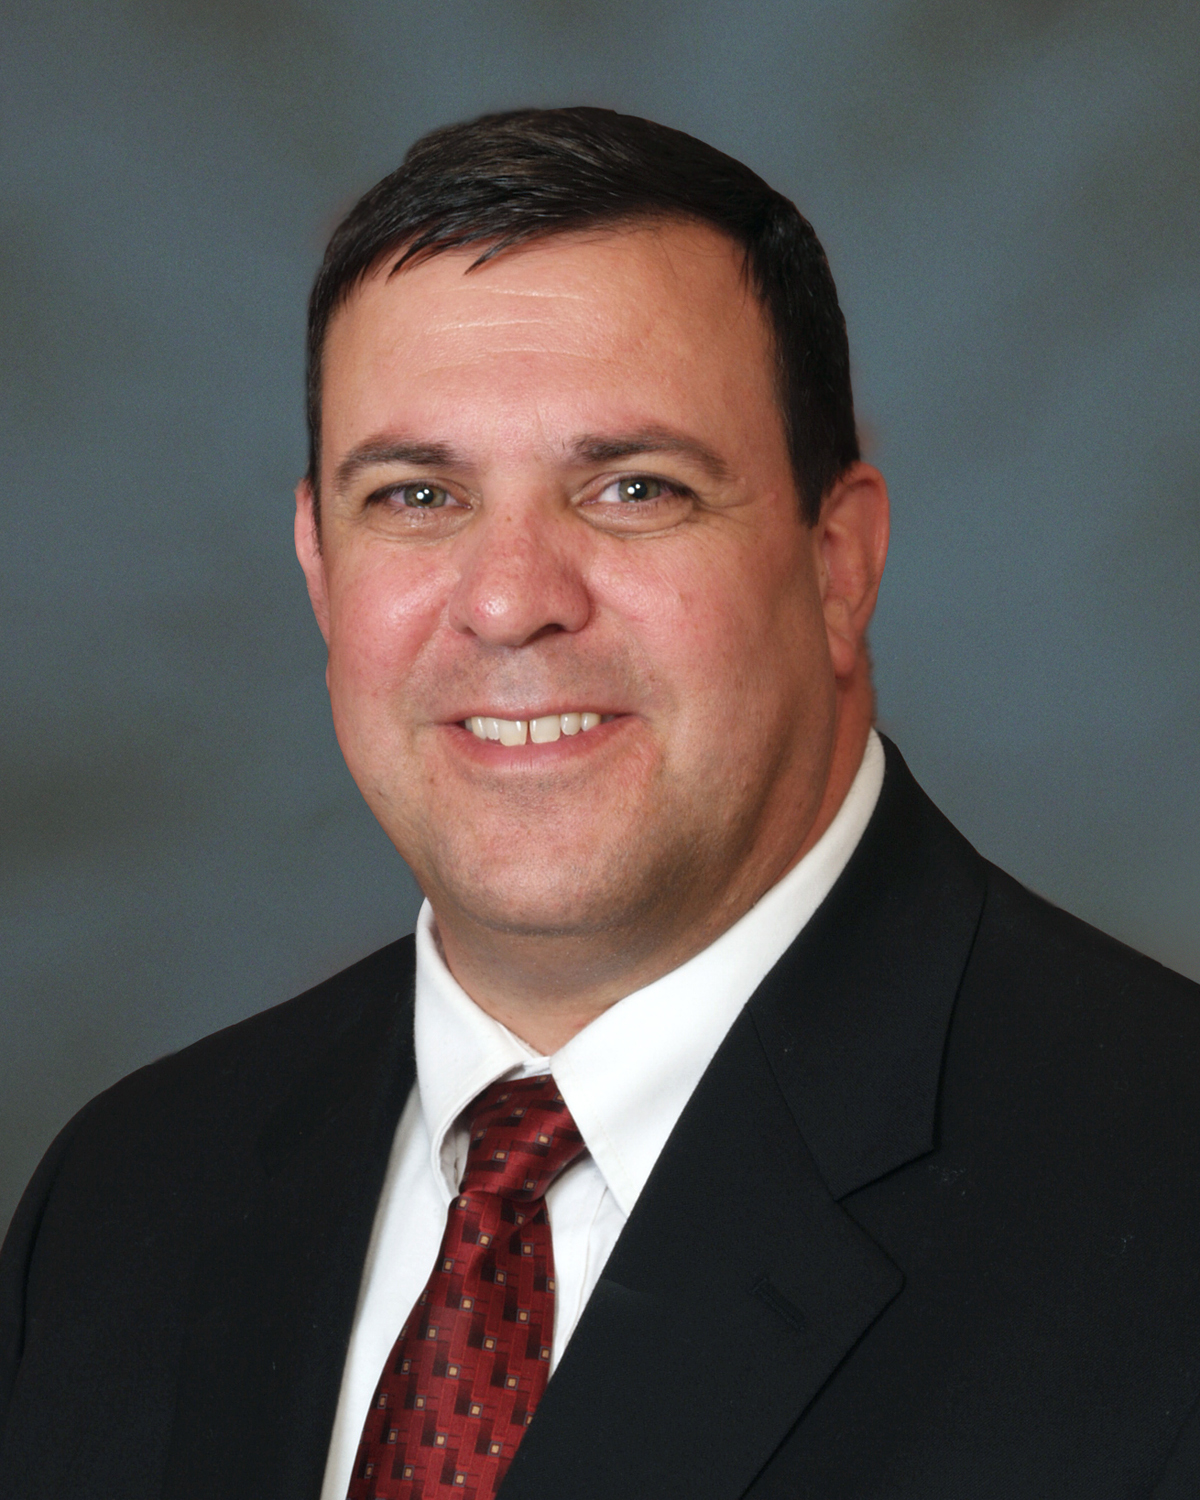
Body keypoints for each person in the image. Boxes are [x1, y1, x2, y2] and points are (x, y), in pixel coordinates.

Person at [1, 106, 1198, 1500]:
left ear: (838, 562)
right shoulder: (121, 1202)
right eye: (416, 496)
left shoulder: (1161, 1202)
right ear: (321, 569)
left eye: (635, 488)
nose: (512, 599)